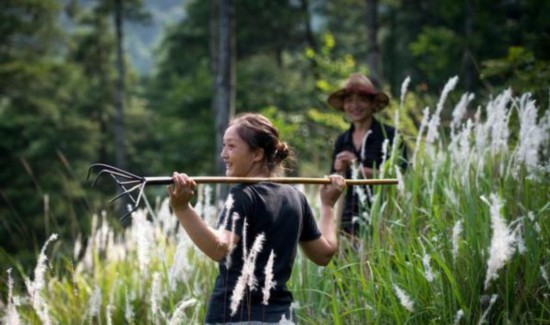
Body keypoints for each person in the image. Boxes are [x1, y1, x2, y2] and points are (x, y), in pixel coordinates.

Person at [167, 113, 346, 324]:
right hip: (282, 319)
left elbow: (219, 248)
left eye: (231, 146)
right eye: (223, 146)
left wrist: (182, 208)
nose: (223, 154)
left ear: (257, 154)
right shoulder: (296, 197)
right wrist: (327, 206)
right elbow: (324, 254)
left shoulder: (244, 194)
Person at [327, 73, 406, 237]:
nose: (355, 105)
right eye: (349, 100)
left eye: (361, 99)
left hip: (384, 222)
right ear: (343, 106)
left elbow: (401, 177)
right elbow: (332, 184)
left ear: (372, 104)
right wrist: (335, 174)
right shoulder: (342, 141)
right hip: (347, 223)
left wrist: (357, 167)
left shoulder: (391, 136)